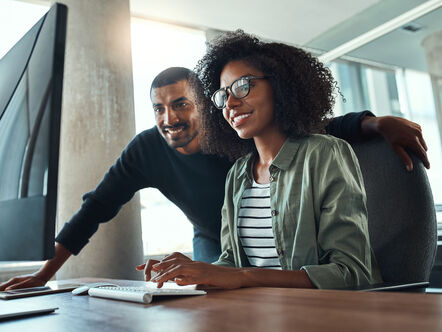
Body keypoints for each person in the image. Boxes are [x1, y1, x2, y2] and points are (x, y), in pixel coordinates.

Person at [0, 62, 427, 291]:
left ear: (204, 104)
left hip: (291, 237)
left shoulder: (237, 127)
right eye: (159, 108)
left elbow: (312, 130)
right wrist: (45, 273)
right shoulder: (148, 149)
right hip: (218, 239)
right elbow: (94, 208)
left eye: (182, 104)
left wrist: (373, 124)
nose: (170, 119)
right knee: (206, 296)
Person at [138, 30, 385, 289]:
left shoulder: (324, 154)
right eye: (223, 96)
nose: (230, 103)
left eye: (243, 86)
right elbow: (232, 264)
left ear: (279, 85)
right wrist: (192, 271)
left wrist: (246, 276)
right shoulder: (237, 174)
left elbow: (352, 273)